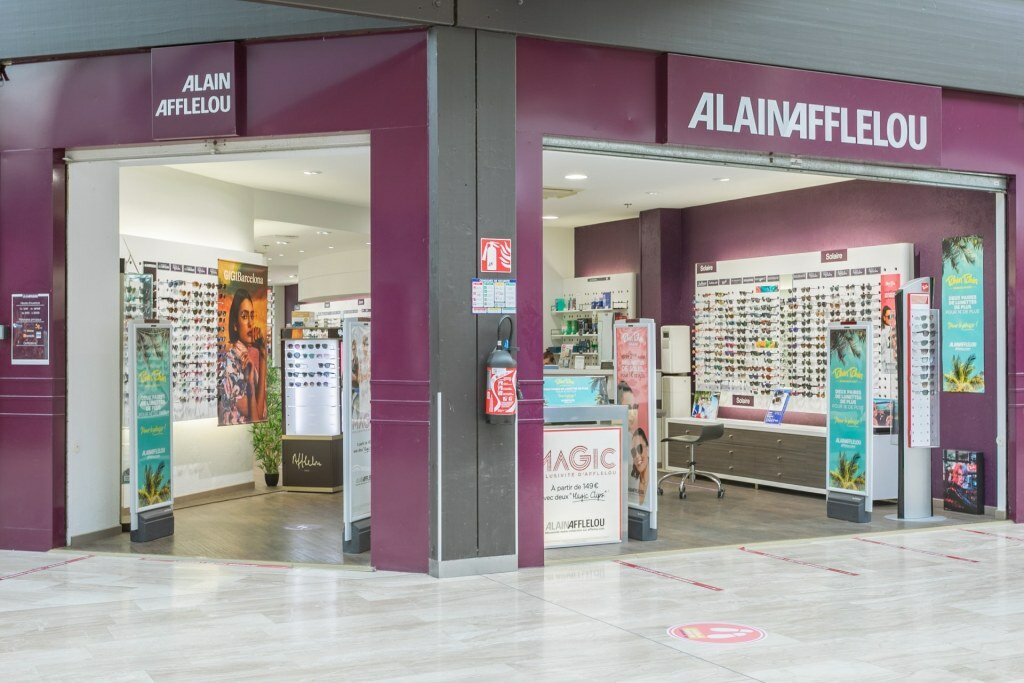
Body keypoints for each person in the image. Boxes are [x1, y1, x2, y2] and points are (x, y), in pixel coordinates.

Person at [218, 288, 267, 425]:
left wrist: (263, 354)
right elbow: (256, 419)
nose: (250, 323)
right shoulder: (231, 364)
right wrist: (250, 384)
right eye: (244, 316)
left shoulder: (244, 359)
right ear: (235, 324)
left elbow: (260, 413)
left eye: (252, 316)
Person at [630, 427, 650, 502]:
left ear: (647, 448)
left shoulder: (652, 484)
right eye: (633, 451)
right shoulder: (632, 483)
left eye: (640, 448)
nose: (637, 456)